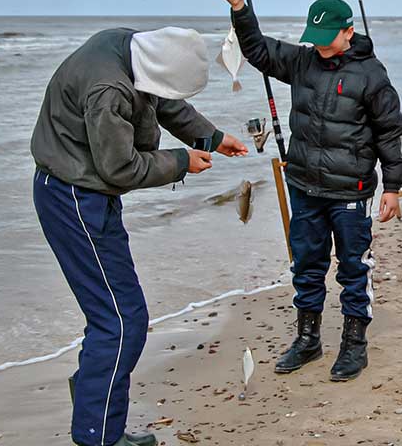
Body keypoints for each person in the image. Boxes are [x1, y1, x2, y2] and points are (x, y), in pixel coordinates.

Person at [31, 25, 248, 446]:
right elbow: (120, 167)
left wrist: (213, 139)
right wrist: (181, 161)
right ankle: (97, 435)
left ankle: (95, 404)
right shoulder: (108, 90)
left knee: (117, 315)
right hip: (74, 198)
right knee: (120, 321)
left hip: (81, 189)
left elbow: (163, 100)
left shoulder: (130, 46)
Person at [222, 0, 402, 382]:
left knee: (354, 268)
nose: (319, 45)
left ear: (348, 32)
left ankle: (354, 344)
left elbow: (389, 132)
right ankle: (308, 340)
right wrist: (240, 10)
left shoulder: (371, 75)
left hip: (351, 190)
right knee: (306, 265)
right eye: (314, 37)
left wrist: (392, 187)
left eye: (327, 37)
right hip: (304, 185)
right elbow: (258, 50)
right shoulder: (303, 62)